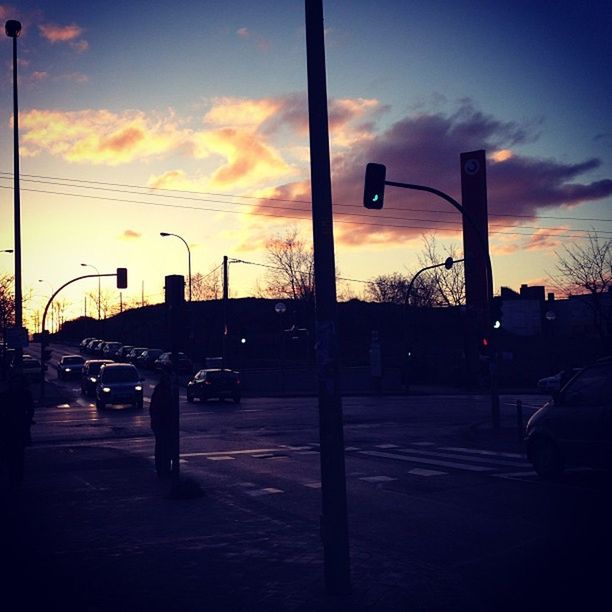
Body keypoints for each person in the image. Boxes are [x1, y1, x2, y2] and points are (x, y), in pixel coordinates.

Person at [0, 370, 34, 491]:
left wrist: (27, 420)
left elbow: (30, 411)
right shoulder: (6, 395)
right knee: (10, 455)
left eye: (18, 382)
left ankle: (17, 478)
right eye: (15, 382)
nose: (16, 384)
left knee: (18, 455)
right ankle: (12, 477)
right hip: (8, 429)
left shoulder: (25, 395)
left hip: (19, 428)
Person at [149, 371, 174, 478]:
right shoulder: (162, 391)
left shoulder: (163, 390)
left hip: (162, 422)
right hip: (162, 422)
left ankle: (164, 468)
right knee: (163, 446)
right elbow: (158, 408)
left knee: (164, 446)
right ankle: (163, 469)